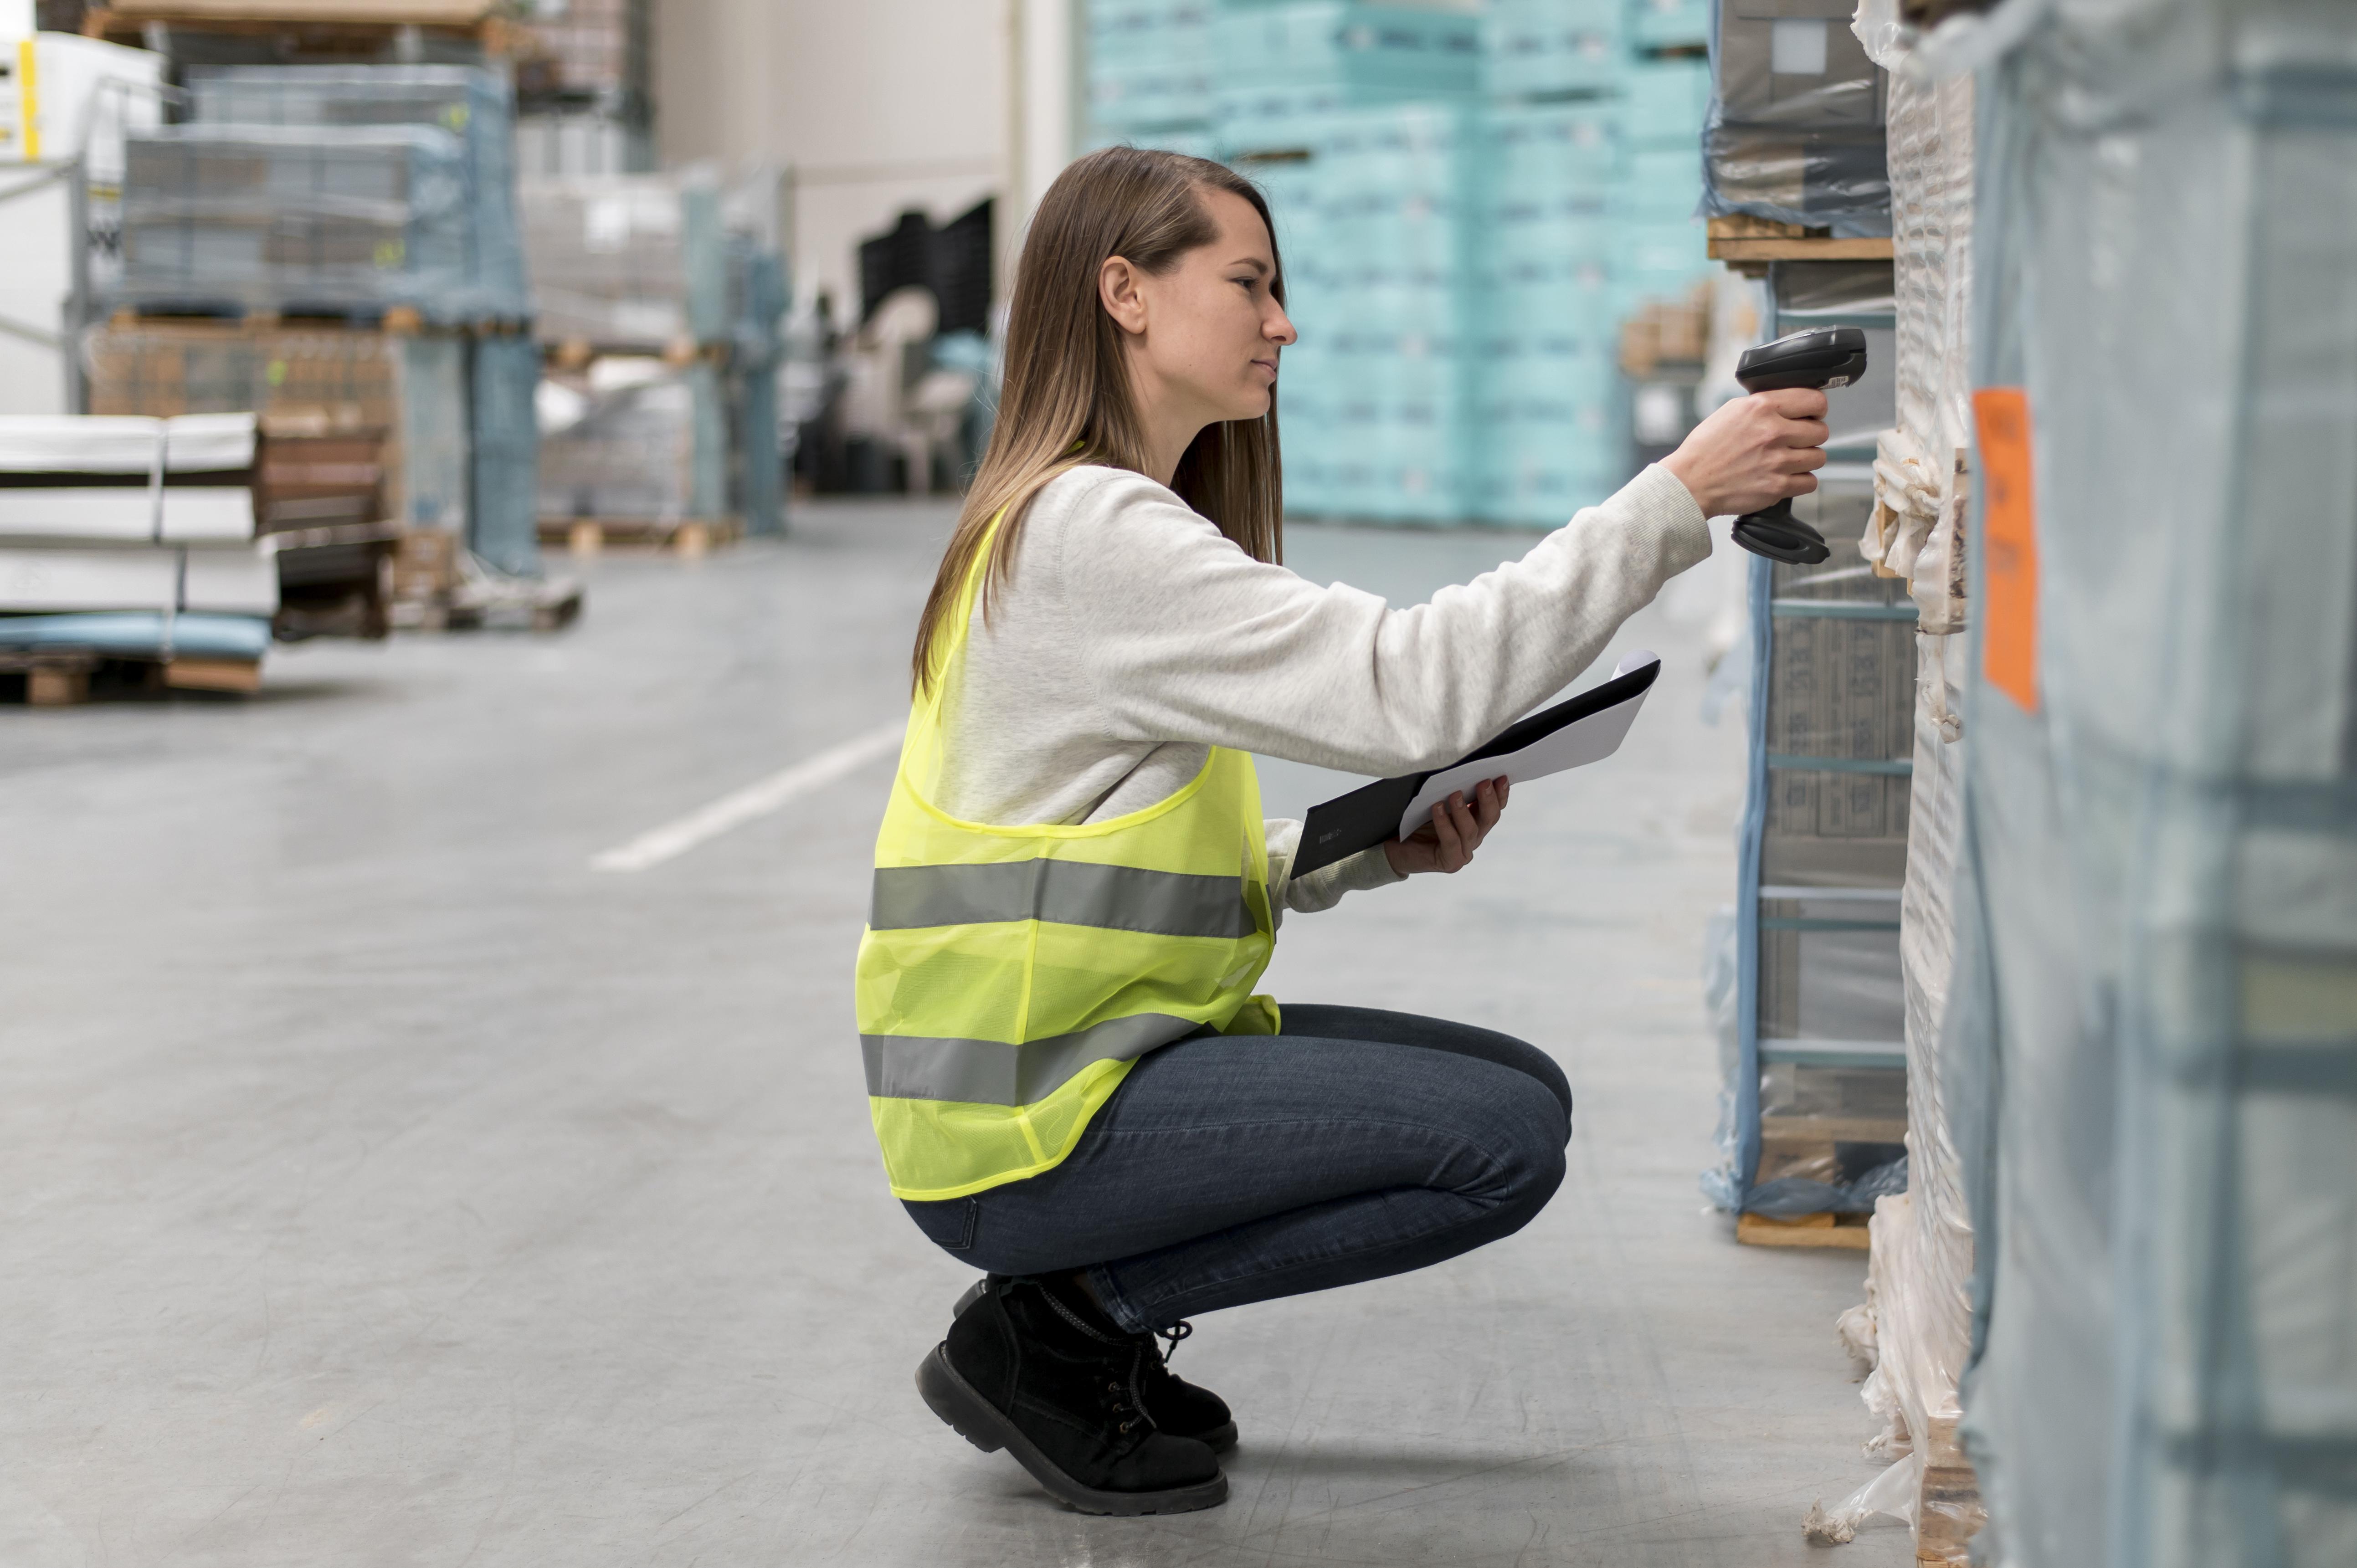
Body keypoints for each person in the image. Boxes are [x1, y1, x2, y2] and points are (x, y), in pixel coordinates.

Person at [853, 146, 1830, 1516]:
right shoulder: (1090, 530)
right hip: (1029, 1127)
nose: (1283, 324)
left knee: (1525, 1093)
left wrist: (1363, 848)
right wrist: (1677, 496)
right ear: (1124, 293)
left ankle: (1083, 1312)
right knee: (1497, 1140)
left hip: (1055, 1081)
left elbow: (1098, 869)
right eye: (1250, 285)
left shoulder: (1078, 516)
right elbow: (1411, 689)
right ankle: (1065, 1323)